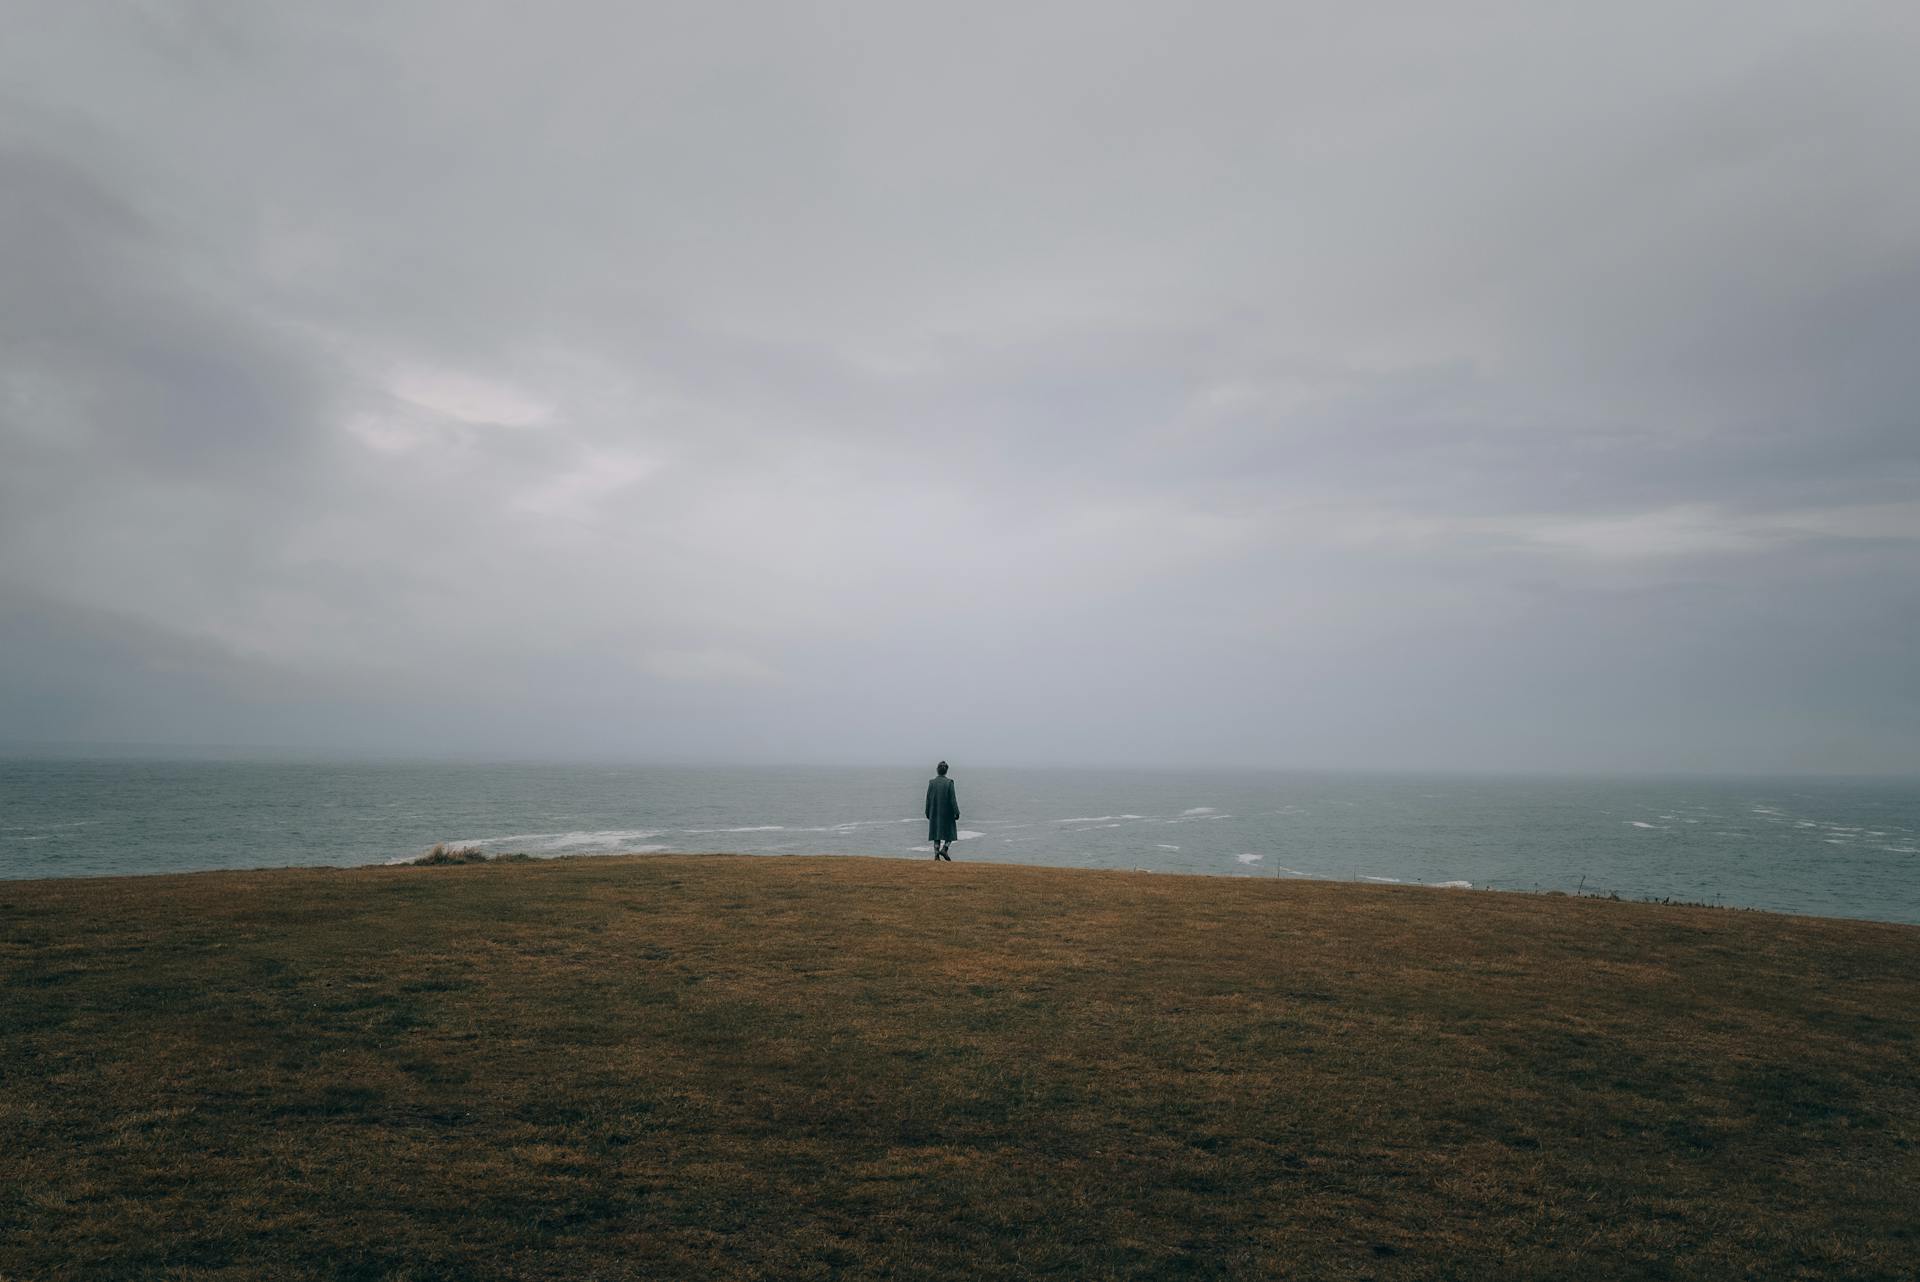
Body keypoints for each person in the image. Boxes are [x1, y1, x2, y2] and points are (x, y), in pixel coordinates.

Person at [925, 761, 959, 860]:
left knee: (936, 833)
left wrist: (927, 812)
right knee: (951, 833)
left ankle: (936, 854)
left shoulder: (931, 783)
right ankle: (945, 849)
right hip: (947, 813)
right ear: (946, 771)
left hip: (934, 812)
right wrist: (956, 812)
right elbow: (953, 799)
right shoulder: (949, 783)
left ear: (937, 770)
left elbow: (928, 799)